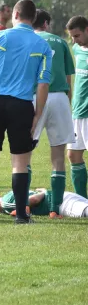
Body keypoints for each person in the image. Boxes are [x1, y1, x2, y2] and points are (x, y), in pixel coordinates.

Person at [0, 0, 52, 224]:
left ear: (15, 14)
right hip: (21, 105)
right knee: (20, 161)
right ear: (34, 17)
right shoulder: (42, 46)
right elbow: (43, 84)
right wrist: (37, 114)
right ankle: (22, 216)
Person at [29, 9, 75, 218]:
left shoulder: (27, 40)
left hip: (33, 97)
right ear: (46, 23)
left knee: (24, 153)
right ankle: (55, 209)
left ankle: (23, 204)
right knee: (58, 156)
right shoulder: (60, 42)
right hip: (58, 97)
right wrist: (68, 102)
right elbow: (68, 79)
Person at [66, 16, 88, 199]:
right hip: (77, 112)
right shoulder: (76, 49)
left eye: (78, 35)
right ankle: (82, 200)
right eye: (72, 36)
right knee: (73, 155)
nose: (74, 40)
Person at [0, 188, 88, 218]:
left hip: (62, 203)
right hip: (64, 196)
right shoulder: (9, 195)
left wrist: (43, 193)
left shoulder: (5, 203)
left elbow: (34, 199)